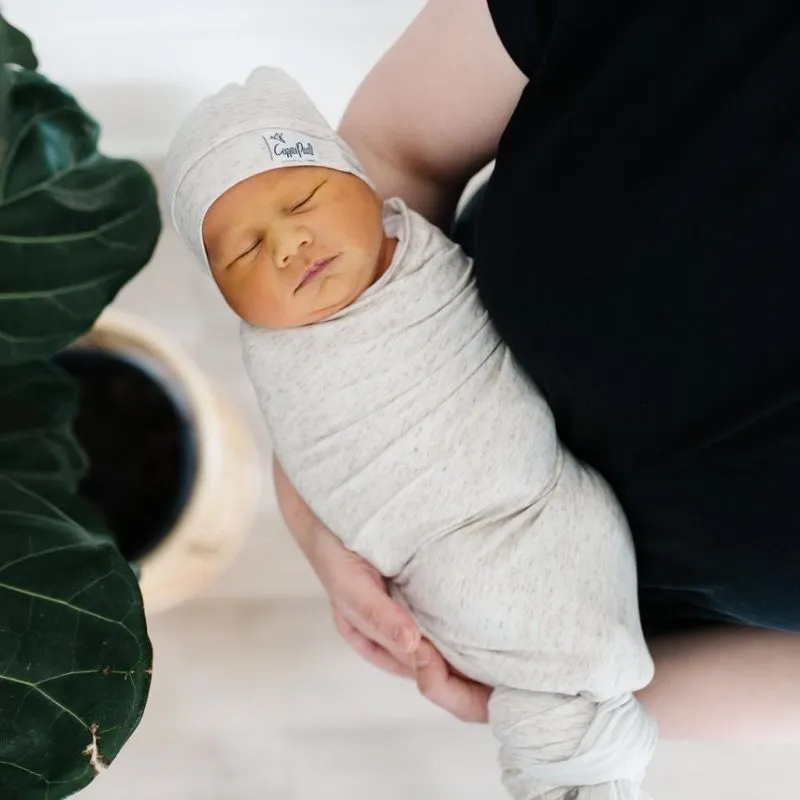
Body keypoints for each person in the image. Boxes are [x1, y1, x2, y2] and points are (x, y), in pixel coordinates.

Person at [271, 0, 800, 746]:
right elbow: (397, 150)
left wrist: (566, 705)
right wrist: (315, 487)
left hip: (570, 661)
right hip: (371, 423)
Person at [165, 65, 661, 799]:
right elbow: (313, 446)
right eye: (242, 251)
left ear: (362, 184)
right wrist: (318, 539)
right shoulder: (281, 353)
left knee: (567, 617)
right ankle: (574, 762)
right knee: (539, 653)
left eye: (302, 198)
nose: (289, 245)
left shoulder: (419, 251)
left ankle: (576, 751)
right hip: (439, 557)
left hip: (542, 492)